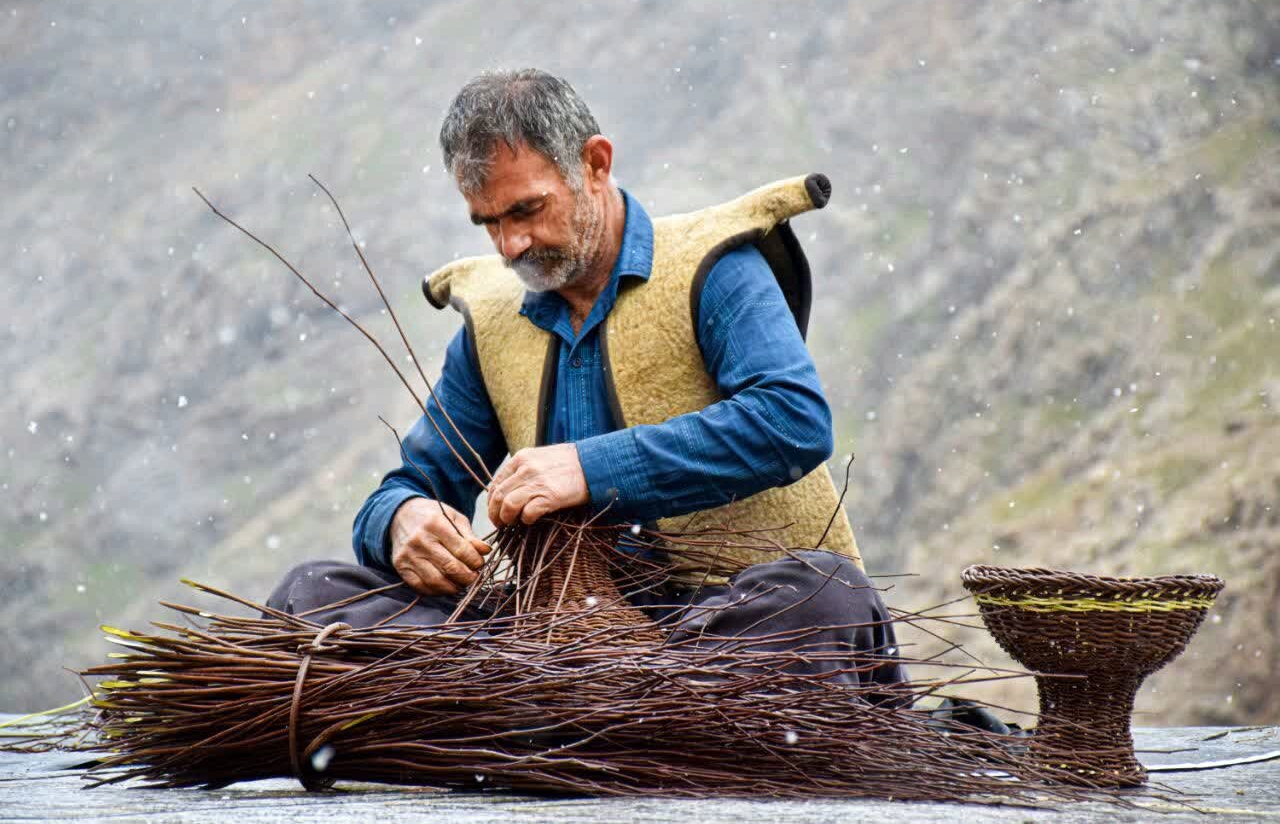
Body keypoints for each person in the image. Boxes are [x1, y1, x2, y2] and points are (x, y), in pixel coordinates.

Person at [266, 68, 903, 691]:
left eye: (526, 209)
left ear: (594, 163)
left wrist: (589, 469)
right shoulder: (493, 322)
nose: (510, 245)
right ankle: (599, 709)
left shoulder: (715, 268)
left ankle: (557, 717)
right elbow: (412, 483)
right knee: (311, 595)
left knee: (823, 597)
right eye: (488, 222)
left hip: (718, 626)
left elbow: (792, 421)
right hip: (557, 644)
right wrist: (401, 521)